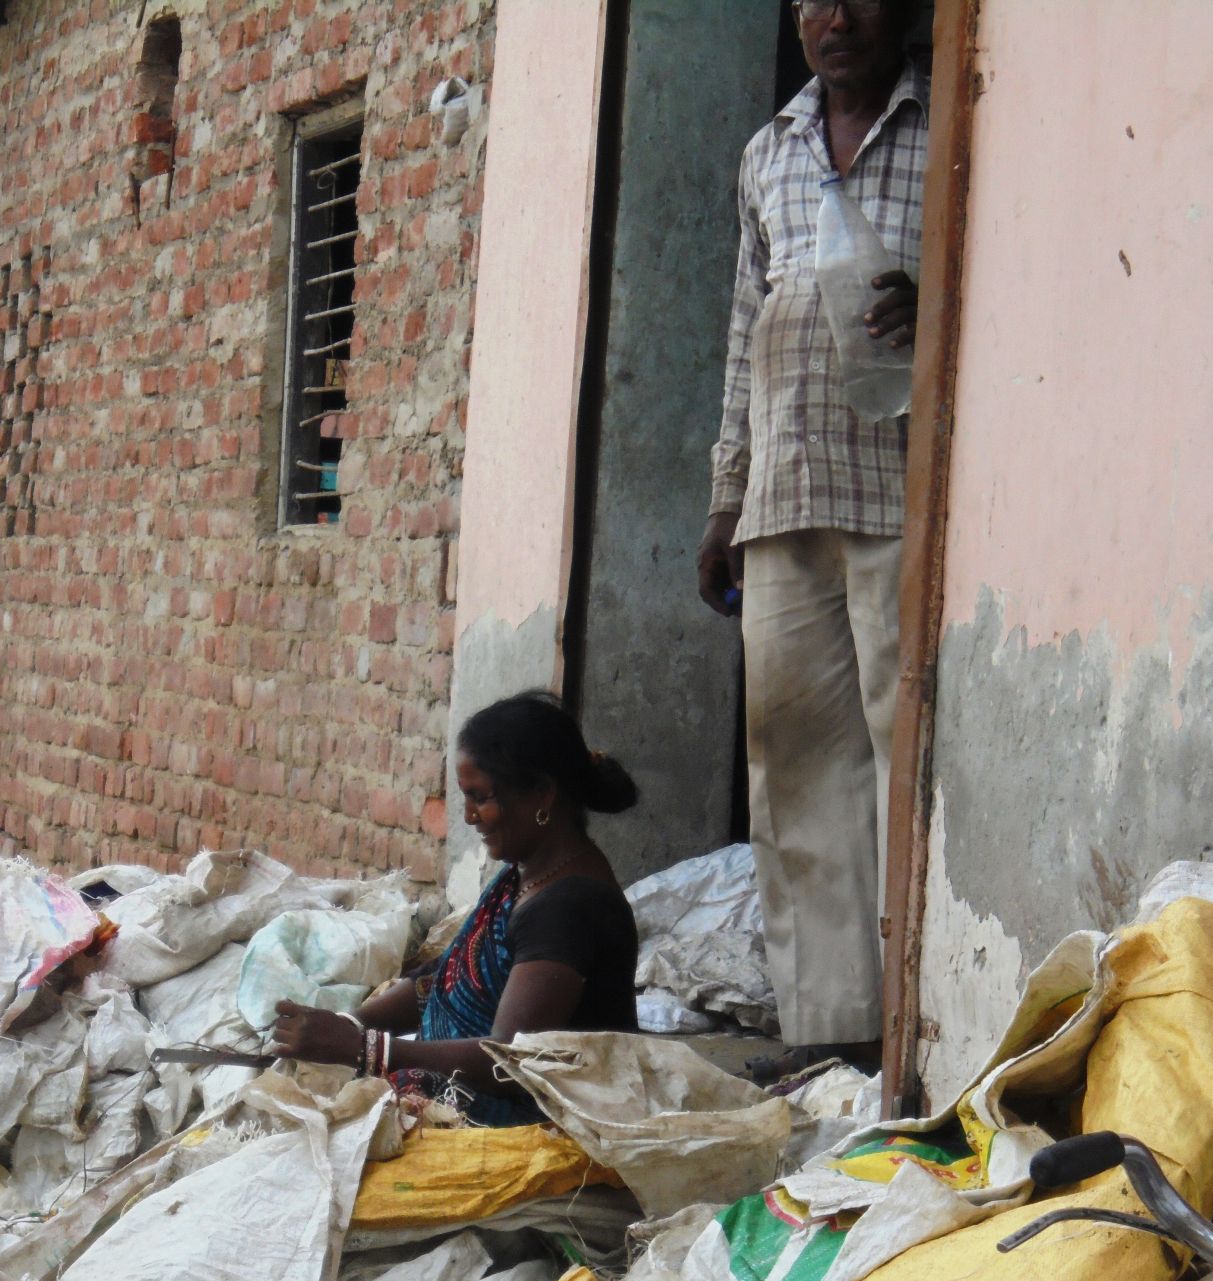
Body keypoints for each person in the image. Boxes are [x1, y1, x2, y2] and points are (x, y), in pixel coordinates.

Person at [696, 0, 927, 1079]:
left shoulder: (943, 128)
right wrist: (723, 500)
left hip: (899, 488)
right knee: (794, 763)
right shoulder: (769, 150)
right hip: (785, 492)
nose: (838, 21)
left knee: (900, 752)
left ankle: (913, 1019)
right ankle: (828, 1028)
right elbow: (746, 331)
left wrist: (932, 307)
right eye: (815, 2)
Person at [271, 691, 640, 1125]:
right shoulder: (522, 876)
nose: (468, 817)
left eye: (480, 797)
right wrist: (349, 1023)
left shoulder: (570, 907)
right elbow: (446, 977)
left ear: (542, 794)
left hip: (533, 1128)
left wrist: (365, 1048)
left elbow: (509, 1063)